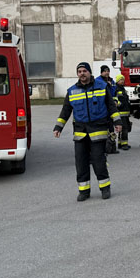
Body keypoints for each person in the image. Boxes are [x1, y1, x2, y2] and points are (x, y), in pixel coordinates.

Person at [53, 62, 122, 202]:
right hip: (80, 133)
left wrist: (118, 122)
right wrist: (58, 127)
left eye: (84, 71)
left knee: (98, 160)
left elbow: (111, 106)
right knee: (81, 162)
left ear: (89, 72)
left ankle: (105, 188)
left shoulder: (102, 87)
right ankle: (84, 191)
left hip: (98, 130)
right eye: (79, 71)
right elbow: (66, 110)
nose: (82, 73)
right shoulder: (72, 91)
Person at [100, 65, 118, 154]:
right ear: (101, 72)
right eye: (105, 71)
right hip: (103, 109)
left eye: (108, 71)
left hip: (111, 108)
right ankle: (104, 148)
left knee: (111, 129)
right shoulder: (98, 81)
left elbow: (115, 92)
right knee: (104, 129)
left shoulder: (112, 81)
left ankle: (112, 148)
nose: (107, 73)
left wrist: (115, 101)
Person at [114, 74, 132, 150]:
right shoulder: (116, 89)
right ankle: (124, 144)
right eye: (121, 80)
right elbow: (115, 99)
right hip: (121, 113)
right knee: (124, 128)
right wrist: (119, 104)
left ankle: (120, 143)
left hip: (125, 112)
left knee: (124, 128)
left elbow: (126, 100)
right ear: (117, 81)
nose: (122, 81)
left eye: (123, 80)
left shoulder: (123, 89)